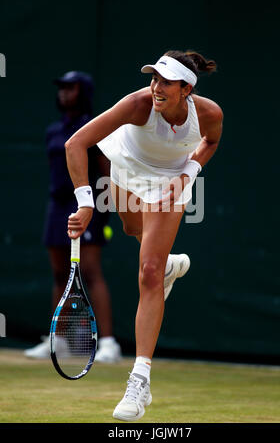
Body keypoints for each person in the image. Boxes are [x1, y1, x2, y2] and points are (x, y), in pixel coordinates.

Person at [64, 50, 223, 421]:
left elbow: (209, 143)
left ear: (187, 89)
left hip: (171, 181)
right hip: (127, 170)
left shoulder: (209, 114)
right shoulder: (138, 104)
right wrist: (86, 203)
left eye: (166, 82)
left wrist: (188, 175)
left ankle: (139, 381)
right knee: (132, 229)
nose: (156, 87)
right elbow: (76, 143)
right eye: (154, 79)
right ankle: (169, 264)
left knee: (147, 273)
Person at [24, 71, 122, 363]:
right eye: (62, 88)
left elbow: (106, 172)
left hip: (89, 205)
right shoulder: (53, 131)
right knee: (60, 274)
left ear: (84, 92)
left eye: (71, 88)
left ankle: (108, 343)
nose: (65, 93)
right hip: (57, 207)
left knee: (90, 272)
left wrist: (103, 211)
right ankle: (59, 341)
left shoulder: (94, 129)